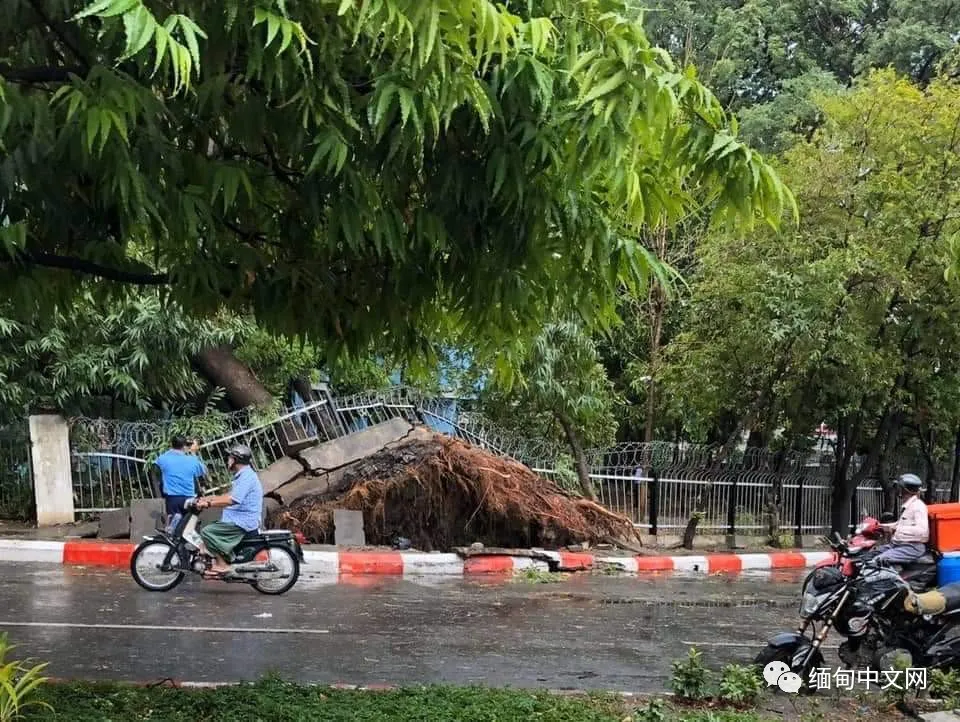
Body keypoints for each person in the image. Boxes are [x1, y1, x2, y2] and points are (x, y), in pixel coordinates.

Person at [194, 444, 263, 578]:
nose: (228, 460)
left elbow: (232, 500)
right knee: (212, 528)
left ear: (235, 460)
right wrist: (208, 498)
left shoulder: (246, 477)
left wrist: (208, 503)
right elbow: (229, 495)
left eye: (230, 458)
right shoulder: (243, 475)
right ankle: (215, 559)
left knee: (207, 532)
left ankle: (222, 565)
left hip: (242, 522)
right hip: (237, 518)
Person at [151, 435, 207, 531]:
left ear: (171, 444)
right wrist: (193, 453)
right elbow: (203, 471)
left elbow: (156, 468)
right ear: (184, 446)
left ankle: (173, 543)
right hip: (189, 498)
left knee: (173, 526)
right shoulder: (191, 460)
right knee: (189, 527)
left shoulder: (163, 459)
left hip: (172, 498)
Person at [874, 473, 929, 566]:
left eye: (900, 488)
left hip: (912, 547)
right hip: (899, 545)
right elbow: (900, 524)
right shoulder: (908, 506)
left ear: (905, 490)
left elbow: (922, 531)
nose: (897, 490)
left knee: (878, 561)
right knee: (871, 554)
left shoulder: (918, 507)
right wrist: (880, 526)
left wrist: (897, 529)